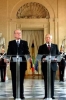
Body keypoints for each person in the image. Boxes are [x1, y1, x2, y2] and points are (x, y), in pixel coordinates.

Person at [5, 29, 30, 100]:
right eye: (18, 33)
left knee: (21, 80)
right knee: (14, 80)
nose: (19, 34)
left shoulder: (24, 42)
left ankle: (21, 95)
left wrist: (28, 58)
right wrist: (7, 58)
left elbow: (27, 52)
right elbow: (9, 52)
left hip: (22, 64)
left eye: (20, 33)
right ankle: (15, 95)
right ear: (14, 35)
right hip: (14, 64)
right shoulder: (11, 43)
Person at [38, 33, 59, 99]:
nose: (48, 39)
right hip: (45, 66)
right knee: (46, 81)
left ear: (51, 39)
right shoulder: (41, 47)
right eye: (47, 37)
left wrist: (56, 59)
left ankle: (52, 95)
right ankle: (46, 95)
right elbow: (39, 57)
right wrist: (43, 59)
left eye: (49, 37)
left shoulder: (55, 46)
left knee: (52, 81)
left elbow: (58, 55)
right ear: (45, 39)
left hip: (53, 66)